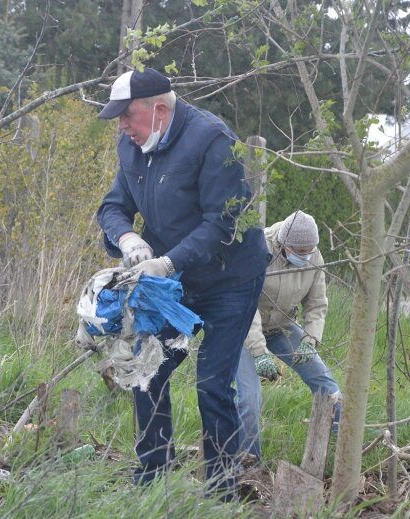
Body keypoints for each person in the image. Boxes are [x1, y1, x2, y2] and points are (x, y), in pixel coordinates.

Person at [95, 67, 270, 497]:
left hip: (231, 278)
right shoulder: (131, 145)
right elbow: (112, 206)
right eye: (118, 119)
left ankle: (222, 489)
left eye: (126, 116)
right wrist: (129, 237)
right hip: (173, 282)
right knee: (147, 368)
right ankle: (153, 476)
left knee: (212, 383)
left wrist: (168, 262)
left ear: (158, 110)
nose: (121, 126)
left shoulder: (211, 139)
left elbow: (220, 223)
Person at [235, 210, 341, 462]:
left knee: (327, 386)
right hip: (243, 329)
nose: (305, 256)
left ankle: (341, 456)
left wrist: (309, 340)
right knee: (249, 400)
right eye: (299, 251)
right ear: (283, 244)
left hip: (281, 326)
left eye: (309, 250)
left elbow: (316, 304)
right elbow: (244, 304)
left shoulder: (314, 256)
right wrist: (259, 352)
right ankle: (250, 465)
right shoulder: (257, 250)